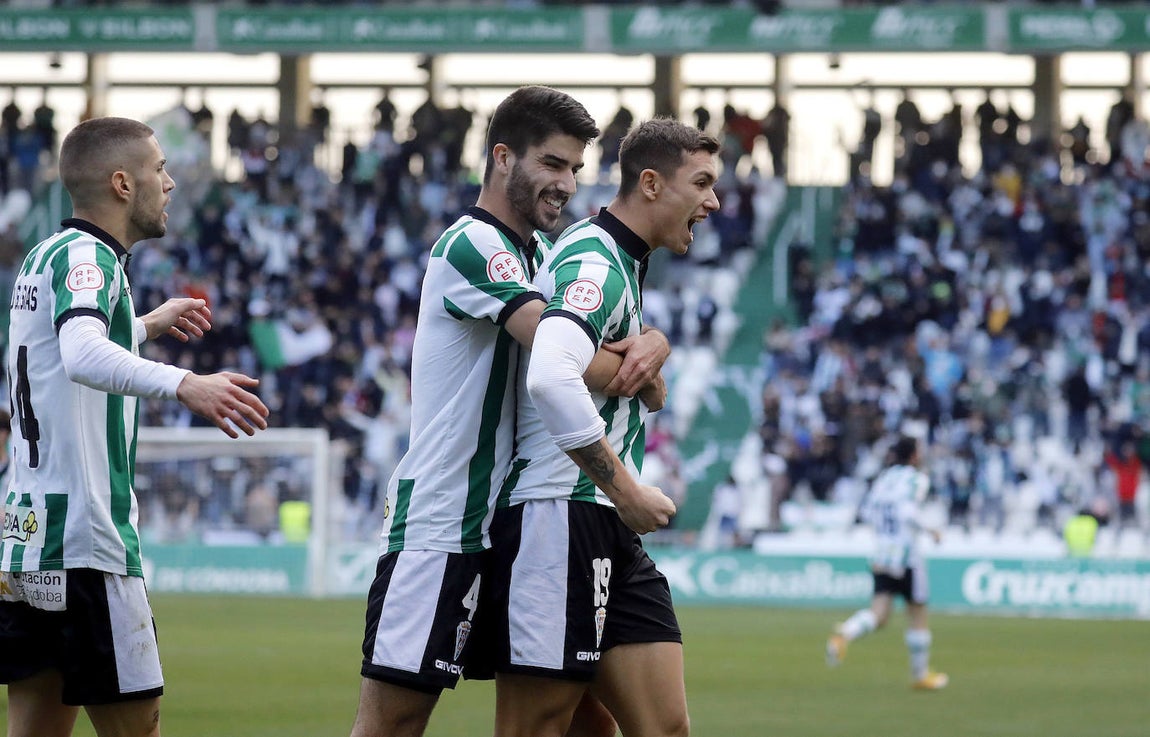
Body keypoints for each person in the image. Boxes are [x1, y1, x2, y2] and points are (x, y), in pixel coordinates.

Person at [348, 86, 670, 737]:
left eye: (576, 169)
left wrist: (651, 345)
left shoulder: (541, 258)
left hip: (510, 524)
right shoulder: (473, 244)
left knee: (588, 719)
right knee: (393, 724)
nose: (566, 183)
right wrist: (643, 360)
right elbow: (563, 352)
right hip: (441, 526)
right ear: (502, 157)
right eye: (552, 164)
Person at [0, 116, 270, 737]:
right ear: (123, 183)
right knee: (137, 726)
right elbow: (82, 354)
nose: (170, 183)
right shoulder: (89, 256)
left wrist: (142, 323)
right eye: (159, 169)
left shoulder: (49, 253)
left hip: (28, 538)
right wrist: (187, 383)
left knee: (36, 727)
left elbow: (55, 350)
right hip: (87, 541)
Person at [478, 117, 720, 737]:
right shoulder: (594, 261)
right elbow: (553, 375)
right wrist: (627, 490)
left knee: (659, 727)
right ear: (650, 183)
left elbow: (595, 361)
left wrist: (651, 354)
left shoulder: (617, 260)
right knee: (537, 729)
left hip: (599, 521)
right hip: (558, 515)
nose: (712, 202)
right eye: (702, 183)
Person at [825, 435, 948, 691]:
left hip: (882, 553)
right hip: (907, 557)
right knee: (917, 614)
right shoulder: (917, 479)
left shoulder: (883, 479)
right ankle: (920, 675)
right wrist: (931, 530)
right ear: (914, 455)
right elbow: (907, 512)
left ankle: (844, 634)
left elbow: (868, 511)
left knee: (879, 614)